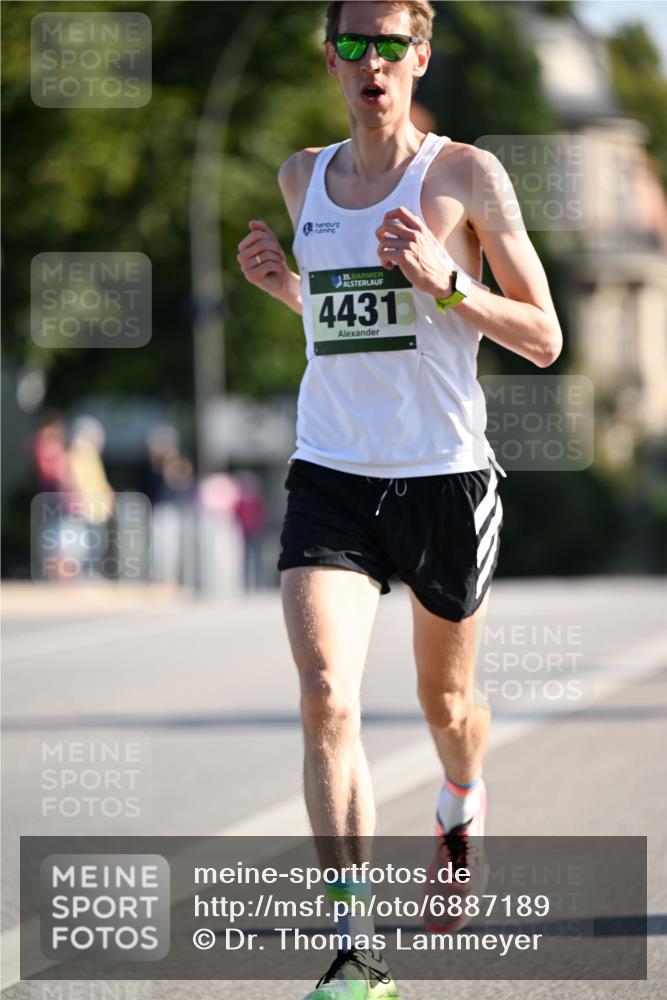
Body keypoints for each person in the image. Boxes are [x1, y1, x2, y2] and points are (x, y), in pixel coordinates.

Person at [237, 2, 562, 996]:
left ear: (417, 57)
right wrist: (288, 290)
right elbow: (347, 323)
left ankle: (461, 802)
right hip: (331, 470)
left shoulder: (463, 175)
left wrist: (447, 279)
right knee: (327, 692)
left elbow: (544, 336)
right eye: (353, 43)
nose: (371, 63)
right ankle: (354, 949)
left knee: (446, 701)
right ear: (331, 57)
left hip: (442, 477)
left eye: (390, 45)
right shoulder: (302, 178)